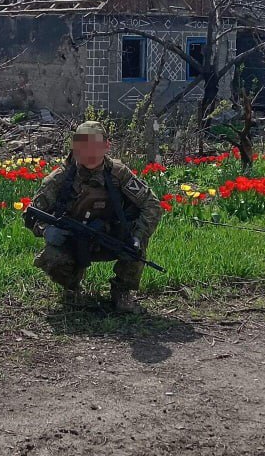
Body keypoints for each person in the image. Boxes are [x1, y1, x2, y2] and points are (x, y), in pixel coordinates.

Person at [23, 120, 164, 313]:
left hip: (111, 238)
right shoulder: (60, 179)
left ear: (107, 145)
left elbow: (151, 205)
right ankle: (72, 288)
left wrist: (138, 236)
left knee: (134, 249)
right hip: (73, 241)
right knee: (53, 257)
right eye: (83, 145)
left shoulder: (119, 174)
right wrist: (46, 230)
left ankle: (122, 292)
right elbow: (31, 213)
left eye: (95, 145)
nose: (89, 152)